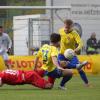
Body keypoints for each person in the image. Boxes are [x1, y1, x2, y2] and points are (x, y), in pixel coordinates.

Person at [58, 19, 89, 89]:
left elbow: (80, 43)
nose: (66, 29)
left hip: (71, 54)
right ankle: (77, 65)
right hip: (62, 54)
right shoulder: (60, 31)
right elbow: (58, 40)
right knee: (59, 67)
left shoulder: (75, 33)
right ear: (64, 26)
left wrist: (76, 49)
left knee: (80, 70)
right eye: (65, 27)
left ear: (71, 27)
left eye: (68, 28)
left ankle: (87, 83)